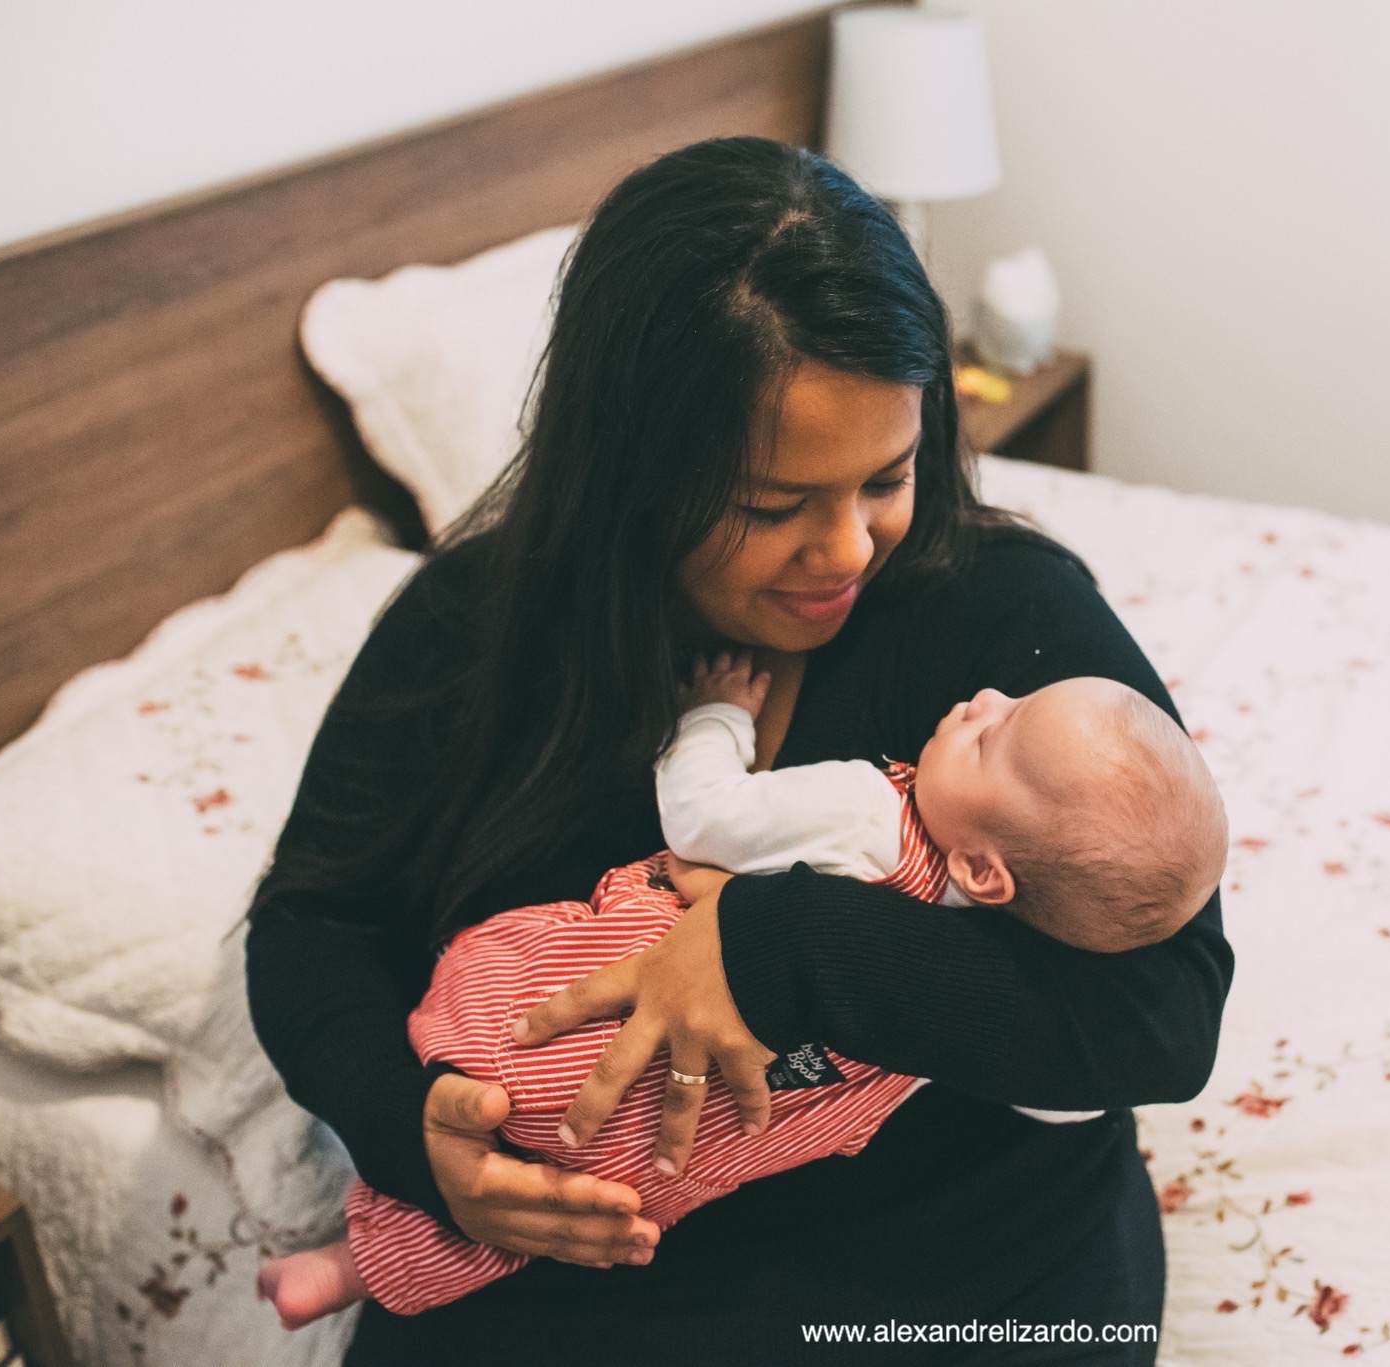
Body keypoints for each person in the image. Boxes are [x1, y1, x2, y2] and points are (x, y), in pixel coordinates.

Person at [245, 135, 1234, 1364]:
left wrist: (781, 948)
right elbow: (314, 929)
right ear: (627, 473)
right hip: (590, 1262)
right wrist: (412, 1129)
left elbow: (1167, 1014)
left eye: (886, 475)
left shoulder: (1000, 617)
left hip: (961, 1255)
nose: (847, 551)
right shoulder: (474, 632)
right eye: (772, 506)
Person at [257, 655, 1227, 1326]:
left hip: (563, 1021)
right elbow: (1060, 1091)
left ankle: (356, 1233)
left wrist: (713, 713)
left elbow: (702, 812)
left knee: (494, 1086)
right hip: (667, 1143)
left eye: (994, 733)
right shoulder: (984, 960)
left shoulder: (865, 811)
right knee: (558, 1212)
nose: (978, 694)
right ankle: (352, 1268)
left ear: (985, 869)